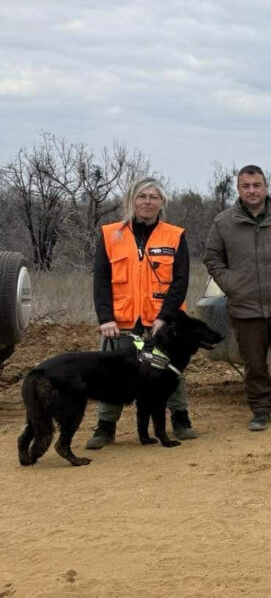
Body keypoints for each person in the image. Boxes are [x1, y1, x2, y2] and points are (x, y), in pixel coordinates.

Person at [86, 177, 197, 449]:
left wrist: (166, 318)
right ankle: (105, 427)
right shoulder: (111, 234)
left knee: (169, 371)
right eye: (142, 196)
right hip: (122, 322)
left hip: (162, 321)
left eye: (154, 197)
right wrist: (106, 318)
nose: (148, 202)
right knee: (113, 373)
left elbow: (180, 281)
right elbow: (101, 280)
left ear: (162, 202)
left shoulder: (175, 235)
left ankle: (181, 420)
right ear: (132, 200)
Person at [203, 165, 271, 431]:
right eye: (246, 186)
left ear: (266, 187)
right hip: (245, 307)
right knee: (254, 363)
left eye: (256, 185)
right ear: (239, 189)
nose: (252, 190)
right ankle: (261, 410)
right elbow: (212, 258)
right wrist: (231, 285)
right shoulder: (224, 222)